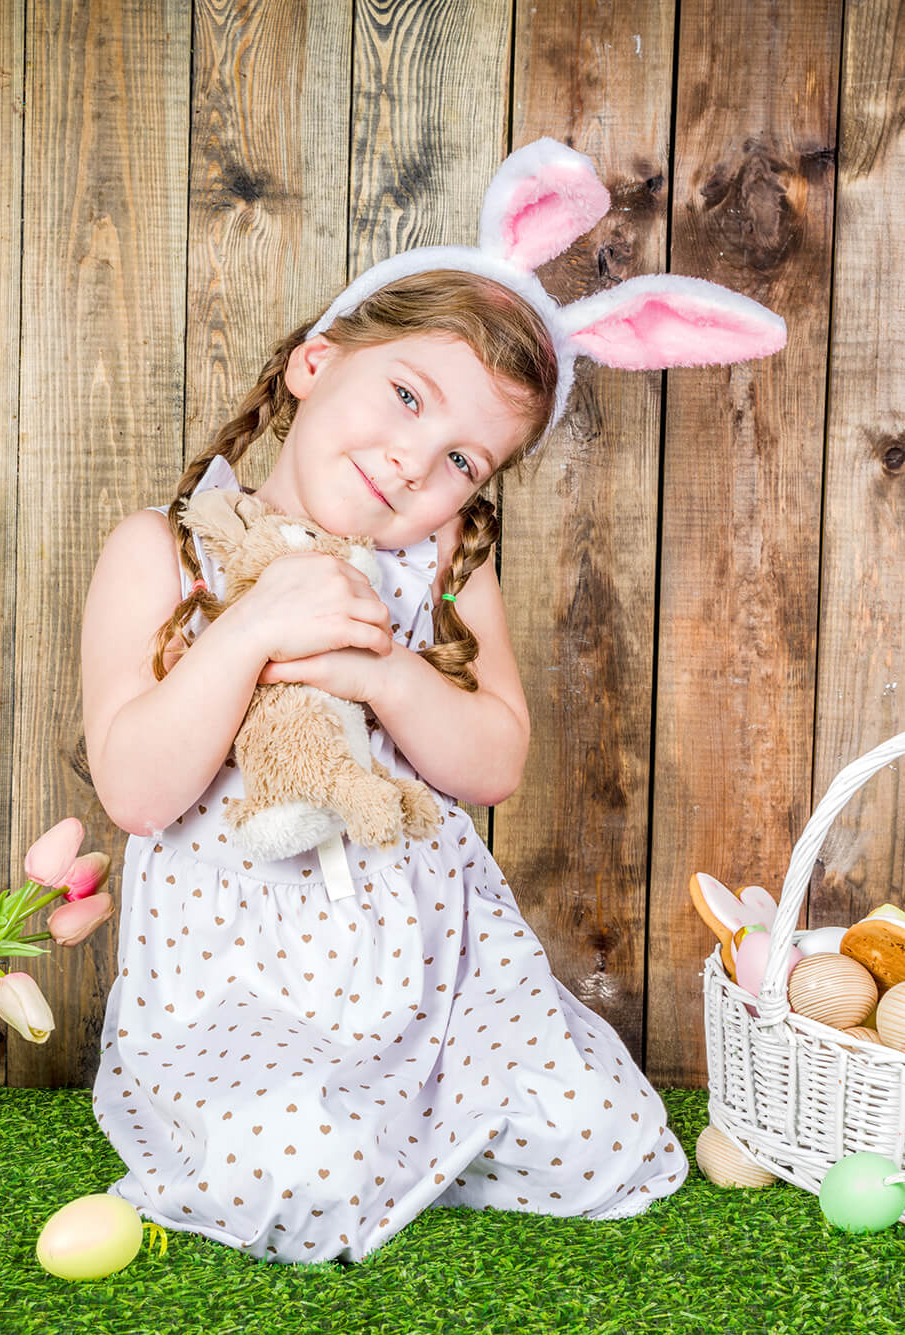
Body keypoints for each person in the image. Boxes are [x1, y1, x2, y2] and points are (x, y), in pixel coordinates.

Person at [78, 138, 786, 1263]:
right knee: (294, 1164)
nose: (413, 461)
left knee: (604, 1139)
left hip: (434, 988)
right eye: (405, 397)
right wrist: (253, 632)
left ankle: (413, 1126)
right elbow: (136, 789)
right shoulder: (163, 553)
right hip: (237, 998)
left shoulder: (439, 576)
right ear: (316, 364)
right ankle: (336, 1134)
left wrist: (381, 674)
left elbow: (491, 762)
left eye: (462, 459)